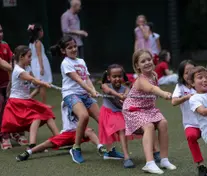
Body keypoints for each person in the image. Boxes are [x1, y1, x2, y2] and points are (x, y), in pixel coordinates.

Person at [122, 49, 176, 174]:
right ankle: (149, 163)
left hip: (148, 108)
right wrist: (163, 93)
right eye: (143, 61)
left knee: (163, 123)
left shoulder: (154, 75)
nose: (147, 63)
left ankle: (164, 159)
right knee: (149, 126)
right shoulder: (141, 80)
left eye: (149, 60)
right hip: (134, 110)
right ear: (137, 66)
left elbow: (153, 89)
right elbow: (152, 88)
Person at [50, 36, 101, 164]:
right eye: (69, 47)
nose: (73, 49)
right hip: (71, 94)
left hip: (84, 94)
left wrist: (92, 89)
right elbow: (78, 79)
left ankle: (107, 148)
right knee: (84, 116)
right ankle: (76, 148)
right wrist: (91, 91)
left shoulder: (81, 61)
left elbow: (87, 78)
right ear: (63, 51)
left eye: (74, 46)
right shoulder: (66, 63)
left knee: (102, 119)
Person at [1, 45, 59, 149]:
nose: (31, 59)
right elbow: (32, 79)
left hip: (26, 100)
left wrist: (40, 85)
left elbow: (35, 82)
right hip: (17, 103)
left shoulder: (27, 68)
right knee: (36, 118)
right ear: (21, 57)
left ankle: (60, 140)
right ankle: (32, 146)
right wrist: (43, 83)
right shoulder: (18, 71)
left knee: (47, 114)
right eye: (29, 56)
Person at [16, 101, 106, 161]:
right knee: (47, 143)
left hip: (78, 132)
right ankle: (28, 153)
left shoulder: (80, 102)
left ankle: (100, 147)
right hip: (66, 133)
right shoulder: (66, 102)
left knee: (89, 131)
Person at [100, 64, 135, 168]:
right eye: (114, 77)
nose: (117, 79)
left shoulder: (125, 88)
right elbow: (108, 91)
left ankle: (111, 152)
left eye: (119, 76)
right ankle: (127, 157)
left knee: (125, 129)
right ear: (109, 77)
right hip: (108, 113)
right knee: (121, 128)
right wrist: (118, 95)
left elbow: (128, 94)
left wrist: (125, 96)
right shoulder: (105, 85)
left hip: (120, 113)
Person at [28, 23, 53, 105]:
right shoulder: (37, 43)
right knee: (42, 85)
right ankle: (44, 104)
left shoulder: (32, 42)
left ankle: (27, 99)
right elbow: (39, 55)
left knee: (39, 86)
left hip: (35, 64)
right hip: (39, 64)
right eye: (41, 30)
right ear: (38, 32)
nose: (43, 32)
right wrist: (41, 68)